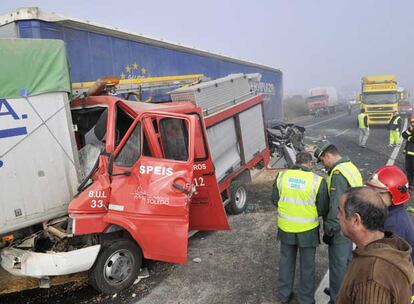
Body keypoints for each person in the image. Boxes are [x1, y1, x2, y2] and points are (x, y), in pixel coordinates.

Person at [337, 187, 414, 304]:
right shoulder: (387, 242)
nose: (338, 216)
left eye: (341, 212)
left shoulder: (372, 279)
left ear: (356, 220)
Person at [272, 152, 329, 304]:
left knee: (286, 262)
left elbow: (274, 200)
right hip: (308, 230)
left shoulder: (282, 177)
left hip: (286, 228)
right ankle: (306, 299)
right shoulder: (317, 181)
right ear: (309, 163)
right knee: (307, 266)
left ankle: (284, 295)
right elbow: (323, 208)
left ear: (296, 162)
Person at [314, 140, 363, 304]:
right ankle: (344, 291)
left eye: (322, 160)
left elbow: (336, 205)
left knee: (337, 265)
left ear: (328, 156)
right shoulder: (350, 166)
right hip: (353, 223)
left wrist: (330, 230)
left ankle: (336, 299)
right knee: (347, 261)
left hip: (341, 226)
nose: (324, 164)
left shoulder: (338, 174)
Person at [366, 165, 414, 262]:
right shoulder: (392, 214)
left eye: (379, 193)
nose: (373, 197)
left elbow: (384, 264)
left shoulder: (394, 226)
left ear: (394, 194)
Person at [402, 114, 414, 189]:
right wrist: (409, 130)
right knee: (408, 169)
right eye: (411, 122)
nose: (412, 124)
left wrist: (409, 137)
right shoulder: (411, 129)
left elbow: (412, 139)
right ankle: (410, 183)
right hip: (408, 153)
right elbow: (403, 135)